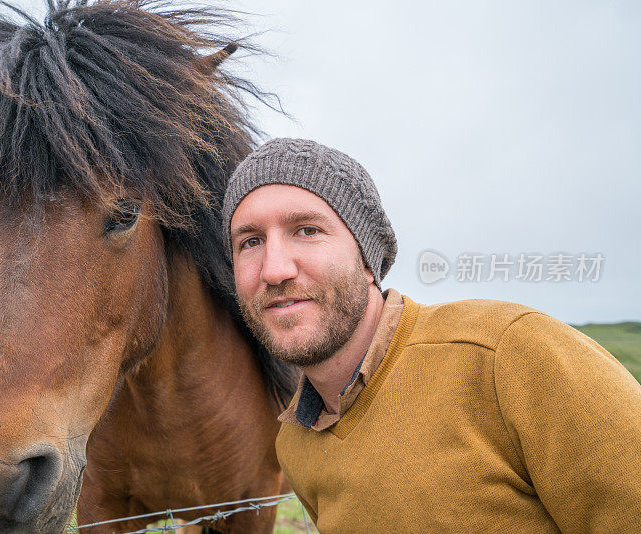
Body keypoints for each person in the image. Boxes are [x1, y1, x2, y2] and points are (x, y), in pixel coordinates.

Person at [221, 138, 641, 533]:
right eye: (250, 242)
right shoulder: (295, 444)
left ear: (367, 260)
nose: (274, 269)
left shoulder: (511, 354)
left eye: (307, 230)